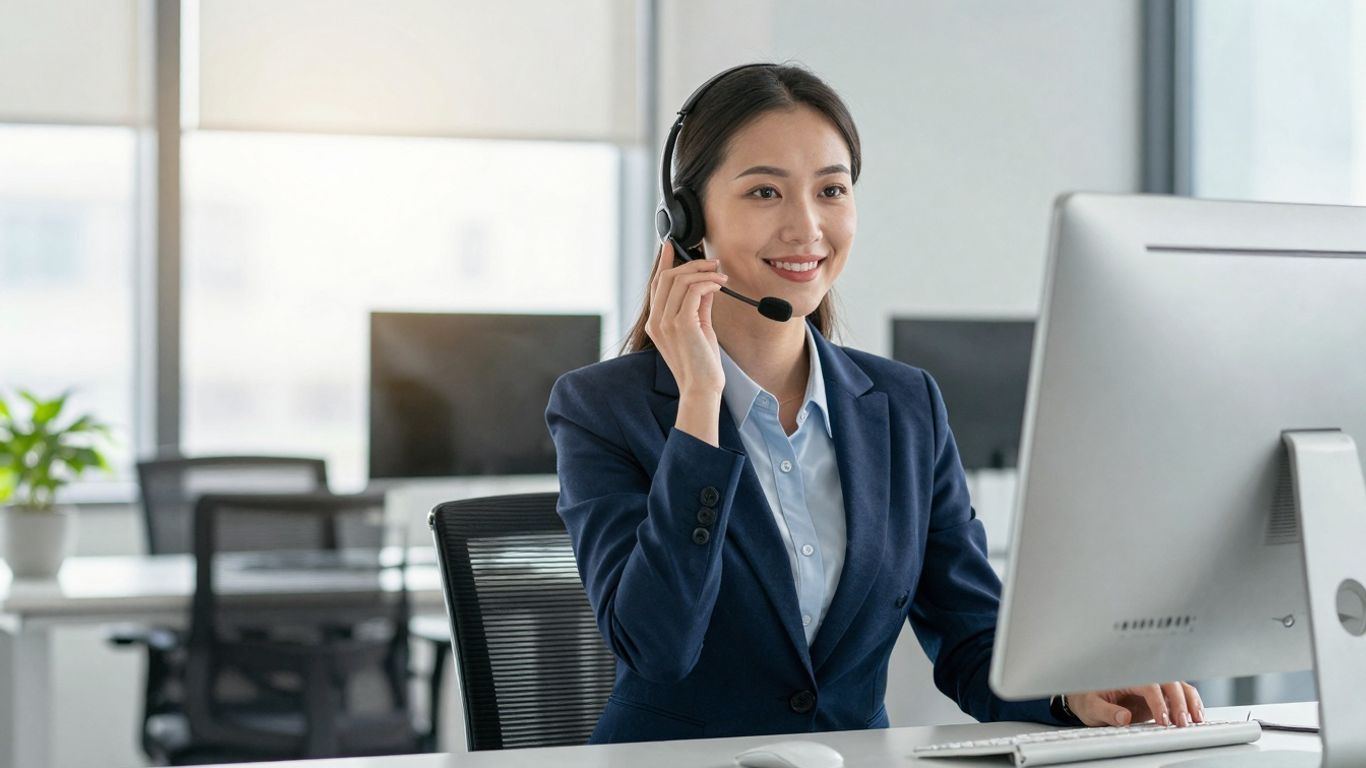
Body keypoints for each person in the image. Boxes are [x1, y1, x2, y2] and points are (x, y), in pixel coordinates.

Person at [545, 62, 1203, 744]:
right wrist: (701, 405)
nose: (807, 227)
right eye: (765, 191)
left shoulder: (905, 404)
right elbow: (659, 648)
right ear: (686, 219)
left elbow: (972, 637)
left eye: (832, 190)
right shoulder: (602, 409)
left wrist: (1071, 692)